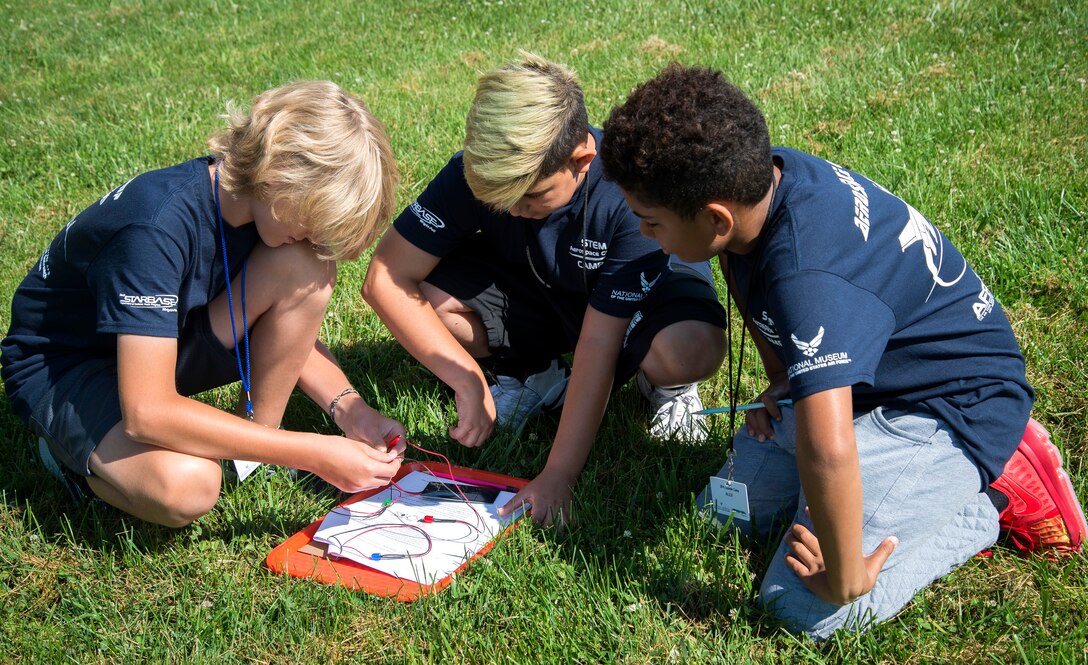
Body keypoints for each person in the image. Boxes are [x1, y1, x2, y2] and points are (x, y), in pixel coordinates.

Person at [600, 64, 1087, 638]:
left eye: (650, 223)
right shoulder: (758, 181)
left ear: (715, 217)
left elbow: (828, 452)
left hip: (952, 405)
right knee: (723, 519)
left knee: (801, 606)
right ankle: (899, 488)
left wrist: (846, 575)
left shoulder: (809, 277)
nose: (646, 235)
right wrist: (783, 378)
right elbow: (747, 276)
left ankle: (985, 503)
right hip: (861, 383)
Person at [1, 81, 407, 527]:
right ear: (279, 175)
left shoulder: (258, 208)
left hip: (161, 341)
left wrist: (353, 410)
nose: (315, 235)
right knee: (188, 484)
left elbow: (287, 336)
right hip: (66, 366)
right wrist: (314, 452)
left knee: (307, 269)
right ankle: (71, 461)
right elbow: (147, 412)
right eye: (314, 218)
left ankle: (254, 453)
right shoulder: (153, 229)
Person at [361, 54, 728, 525]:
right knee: (427, 299)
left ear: (582, 159)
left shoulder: (629, 195)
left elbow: (599, 340)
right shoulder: (479, 173)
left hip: (635, 300)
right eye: (499, 199)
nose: (513, 211)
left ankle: (666, 387)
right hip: (543, 288)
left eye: (531, 196)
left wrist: (559, 472)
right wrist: (465, 377)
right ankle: (539, 373)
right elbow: (384, 279)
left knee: (687, 349)